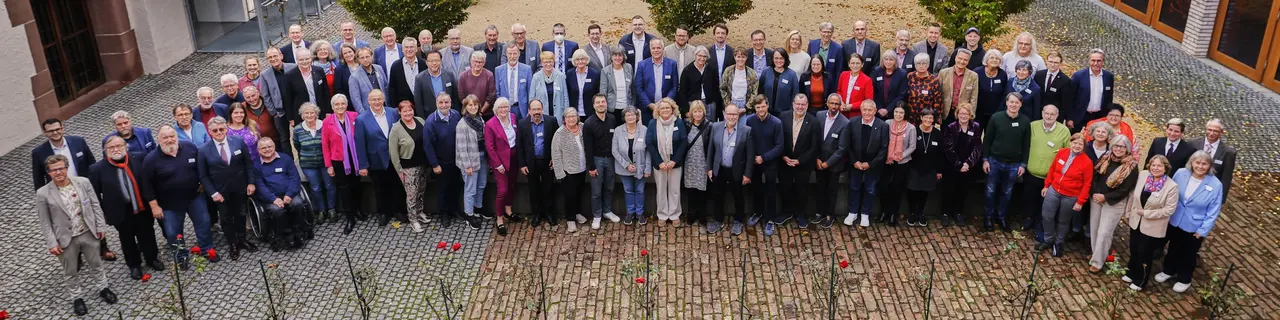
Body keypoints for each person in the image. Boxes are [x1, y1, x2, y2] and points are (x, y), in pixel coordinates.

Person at [36, 154, 117, 316]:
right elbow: (45, 222)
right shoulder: (43, 193)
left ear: (66, 168)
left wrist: (100, 226)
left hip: (87, 232)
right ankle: (77, 297)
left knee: (96, 264)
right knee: (70, 271)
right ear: (49, 173)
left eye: (61, 168)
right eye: (54, 170)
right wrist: (52, 243)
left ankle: (103, 288)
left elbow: (95, 204)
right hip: (65, 239)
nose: (58, 172)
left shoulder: (83, 183)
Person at [88, 136, 163, 280]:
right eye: (111, 148)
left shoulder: (139, 158)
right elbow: (95, 195)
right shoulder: (97, 169)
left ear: (125, 147)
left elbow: (149, 181)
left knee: (147, 234)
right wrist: (103, 214)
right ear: (105, 150)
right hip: (120, 212)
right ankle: (134, 265)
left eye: (119, 146)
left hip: (142, 207)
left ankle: (152, 258)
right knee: (127, 239)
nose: (116, 150)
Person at [141, 126, 213, 269]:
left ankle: (207, 250)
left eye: (172, 136)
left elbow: (201, 166)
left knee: (204, 224)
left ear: (176, 136)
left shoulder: (189, 147)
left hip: (194, 197)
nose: (169, 140)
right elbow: (146, 186)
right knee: (173, 232)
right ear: (158, 140)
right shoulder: (150, 160)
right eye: (165, 138)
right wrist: (154, 206)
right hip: (169, 204)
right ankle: (181, 256)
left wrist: (203, 182)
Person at [1155, 151, 1223, 293]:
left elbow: (1213, 211)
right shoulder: (1181, 173)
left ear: (1209, 165)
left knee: (1189, 253)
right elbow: (1170, 192)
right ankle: (1168, 270)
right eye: (1197, 162)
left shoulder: (1216, 185)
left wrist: (1203, 230)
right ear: (1191, 163)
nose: (1200, 166)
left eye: (1204, 164)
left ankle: (1184, 278)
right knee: (1173, 247)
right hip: (1175, 219)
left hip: (1195, 226)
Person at [198, 117, 256, 261]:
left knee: (241, 214)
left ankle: (242, 239)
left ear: (226, 129)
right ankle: (232, 243)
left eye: (221, 129)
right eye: (215, 130)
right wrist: (213, 193)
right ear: (210, 132)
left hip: (240, 187)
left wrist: (251, 183)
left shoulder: (237, 141)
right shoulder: (203, 150)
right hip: (220, 192)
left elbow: (248, 164)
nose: (219, 132)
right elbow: (203, 175)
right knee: (226, 218)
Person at [1123, 155, 1178, 291]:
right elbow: (1133, 195)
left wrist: (1146, 214)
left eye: (1159, 166)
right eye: (1153, 165)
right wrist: (1128, 212)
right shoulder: (1143, 175)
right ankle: (1131, 272)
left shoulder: (1171, 186)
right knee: (1134, 248)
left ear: (1165, 168)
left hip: (1152, 226)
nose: (1156, 168)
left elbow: (1169, 210)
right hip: (1136, 220)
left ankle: (1140, 280)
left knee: (1145, 253)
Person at [1087, 135, 1139, 273]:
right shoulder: (1106, 157)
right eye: (1116, 145)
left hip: (1114, 202)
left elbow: (1125, 189)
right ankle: (1096, 254)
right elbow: (1095, 175)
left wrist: (1105, 197)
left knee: (1104, 232)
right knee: (1095, 228)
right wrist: (1096, 194)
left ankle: (1098, 263)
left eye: (1122, 146)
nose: (1118, 149)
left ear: (1127, 148)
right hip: (1097, 199)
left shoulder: (1131, 166)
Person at [355, 91, 405, 230]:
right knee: (380, 188)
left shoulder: (393, 113)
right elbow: (360, 143)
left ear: (384, 99)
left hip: (394, 157)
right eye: (373, 100)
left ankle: (398, 211)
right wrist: (363, 165)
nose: (377, 102)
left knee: (397, 185)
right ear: (368, 101)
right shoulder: (362, 119)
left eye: (379, 99)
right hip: (375, 159)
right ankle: (383, 212)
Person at [982, 93, 1031, 232]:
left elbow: (1026, 144)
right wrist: (985, 159)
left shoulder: (1025, 121)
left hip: (1014, 164)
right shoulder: (996, 117)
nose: (1014, 105)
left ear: (1021, 104)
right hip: (995, 161)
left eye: (1017, 102)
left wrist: (1023, 164)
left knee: (1007, 192)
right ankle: (988, 217)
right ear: (1006, 102)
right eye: (1011, 102)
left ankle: (1001, 217)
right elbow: (987, 140)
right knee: (990, 191)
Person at [1039, 133, 1094, 256]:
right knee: (1047, 215)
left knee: (1063, 221)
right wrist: (1046, 185)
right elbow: (1052, 169)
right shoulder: (1062, 152)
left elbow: (1087, 184)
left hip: (1071, 195)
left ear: (1084, 147)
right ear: (1070, 143)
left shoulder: (1087, 162)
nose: (1077, 146)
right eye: (1075, 143)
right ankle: (1048, 239)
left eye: (1080, 144)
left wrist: (1080, 201)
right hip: (1054, 190)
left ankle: (1059, 242)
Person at [252, 137, 308, 251]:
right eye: (264, 148)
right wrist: (273, 199)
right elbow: (260, 185)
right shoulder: (256, 165)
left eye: (270, 146)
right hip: (270, 198)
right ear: (258, 150)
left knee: (297, 204)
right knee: (276, 210)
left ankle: (299, 231)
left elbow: (294, 178)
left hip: (289, 194)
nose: (267, 149)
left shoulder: (285, 158)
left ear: (274, 146)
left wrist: (289, 194)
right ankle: (287, 234)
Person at [708, 103, 755, 235]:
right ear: (724, 114)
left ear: (738, 115)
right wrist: (709, 168)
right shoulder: (715, 127)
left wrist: (747, 174)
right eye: (729, 114)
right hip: (719, 168)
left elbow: (750, 155)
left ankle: (738, 220)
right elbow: (711, 150)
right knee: (718, 195)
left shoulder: (746, 130)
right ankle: (718, 220)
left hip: (736, 170)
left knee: (738, 196)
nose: (731, 116)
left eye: (734, 114)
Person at [1025, 105, 1071, 234]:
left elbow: (1068, 152)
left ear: (1057, 116)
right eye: (1046, 113)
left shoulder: (1064, 131)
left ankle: (1041, 226)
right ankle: (1029, 220)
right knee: (1030, 199)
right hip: (1031, 172)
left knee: (1046, 204)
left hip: (1051, 177)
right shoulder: (1033, 125)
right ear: (1042, 113)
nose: (1049, 116)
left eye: (1052, 114)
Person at [842, 100, 888, 227]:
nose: (867, 112)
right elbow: (848, 144)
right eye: (865, 109)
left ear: (874, 111)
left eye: (870, 110)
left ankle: (865, 214)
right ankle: (852, 213)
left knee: (870, 189)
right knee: (853, 187)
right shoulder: (852, 122)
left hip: (872, 165)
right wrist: (854, 161)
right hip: (856, 163)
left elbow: (884, 148)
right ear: (861, 110)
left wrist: (871, 164)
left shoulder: (883, 126)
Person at [517, 100, 560, 229]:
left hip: (547, 161)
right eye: (534, 109)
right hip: (531, 162)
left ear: (542, 109)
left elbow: (557, 141)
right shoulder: (522, 123)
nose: (536, 112)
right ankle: (536, 213)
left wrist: (554, 158)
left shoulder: (551, 121)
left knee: (548, 188)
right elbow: (519, 146)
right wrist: (522, 164)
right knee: (533, 189)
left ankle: (549, 213)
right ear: (529, 111)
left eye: (539, 109)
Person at [293, 103, 337, 227]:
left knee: (329, 185)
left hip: (325, 162)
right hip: (308, 164)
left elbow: (330, 143)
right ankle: (322, 210)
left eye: (312, 112)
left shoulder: (325, 125)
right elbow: (297, 145)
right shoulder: (297, 129)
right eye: (306, 113)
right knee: (315, 187)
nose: (309, 115)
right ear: (302, 116)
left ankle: (332, 209)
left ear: (317, 114)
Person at [322, 95, 363, 229]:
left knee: (356, 186)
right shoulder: (327, 122)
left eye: (342, 104)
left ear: (346, 105)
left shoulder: (354, 116)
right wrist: (329, 165)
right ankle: (349, 217)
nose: (340, 106)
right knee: (344, 189)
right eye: (337, 104)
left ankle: (358, 209)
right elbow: (325, 145)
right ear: (332, 106)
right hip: (339, 161)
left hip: (355, 159)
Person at [424, 94, 466, 226]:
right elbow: (428, 145)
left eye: (446, 102)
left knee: (456, 186)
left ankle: (455, 210)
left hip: (456, 160)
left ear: (451, 103)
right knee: (443, 189)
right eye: (441, 102)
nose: (444, 105)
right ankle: (444, 214)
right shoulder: (431, 121)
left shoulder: (455, 115)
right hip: (441, 162)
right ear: (436, 103)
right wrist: (434, 164)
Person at [388, 100, 429, 232]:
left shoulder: (420, 121)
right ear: (399, 112)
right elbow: (393, 152)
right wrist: (400, 171)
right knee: (411, 194)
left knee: (421, 190)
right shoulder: (396, 129)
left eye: (410, 110)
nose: (408, 113)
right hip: (408, 166)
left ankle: (419, 212)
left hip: (423, 163)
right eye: (404, 111)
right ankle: (413, 219)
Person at [648, 98, 690, 225]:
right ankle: (662, 214)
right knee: (661, 189)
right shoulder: (652, 123)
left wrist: (674, 161)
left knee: (674, 189)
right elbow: (649, 143)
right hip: (659, 163)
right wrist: (659, 161)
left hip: (674, 163)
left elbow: (683, 142)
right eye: (662, 108)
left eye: (668, 108)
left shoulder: (679, 123)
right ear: (658, 110)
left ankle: (674, 214)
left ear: (673, 109)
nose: (665, 110)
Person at [940, 103, 983, 226]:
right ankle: (945, 213)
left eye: (966, 114)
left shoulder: (976, 127)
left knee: (963, 190)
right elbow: (948, 148)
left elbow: (978, 147)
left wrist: (968, 163)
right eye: (961, 113)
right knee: (949, 189)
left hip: (968, 166)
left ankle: (958, 213)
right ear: (957, 114)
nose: (963, 116)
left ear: (970, 115)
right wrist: (958, 164)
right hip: (952, 165)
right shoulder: (950, 127)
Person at [780, 94, 819, 228]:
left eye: (803, 104)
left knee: (802, 189)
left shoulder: (813, 122)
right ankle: (787, 212)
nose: (800, 107)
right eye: (798, 104)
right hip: (785, 161)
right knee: (785, 187)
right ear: (793, 104)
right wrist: (784, 156)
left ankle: (800, 214)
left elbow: (814, 147)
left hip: (803, 163)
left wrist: (800, 161)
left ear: (807, 105)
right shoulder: (783, 117)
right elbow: (780, 141)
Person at [583, 94, 620, 226]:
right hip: (596, 159)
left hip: (610, 159)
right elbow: (588, 147)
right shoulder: (588, 123)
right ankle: (597, 215)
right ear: (593, 106)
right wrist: (591, 166)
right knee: (596, 190)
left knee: (609, 187)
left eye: (603, 102)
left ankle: (607, 211)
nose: (601, 104)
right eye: (598, 102)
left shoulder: (612, 119)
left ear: (606, 103)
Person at [879, 103, 917, 226]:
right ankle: (884, 211)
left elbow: (912, 146)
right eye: (896, 112)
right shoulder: (887, 124)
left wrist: (901, 155)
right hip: (887, 161)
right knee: (884, 187)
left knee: (897, 189)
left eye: (901, 112)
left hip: (902, 162)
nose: (898, 115)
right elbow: (882, 141)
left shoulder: (911, 128)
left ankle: (893, 214)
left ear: (905, 113)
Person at [814, 94, 850, 228]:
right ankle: (819, 212)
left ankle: (830, 215)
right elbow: (815, 140)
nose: (834, 106)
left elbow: (842, 149)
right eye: (832, 103)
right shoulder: (819, 116)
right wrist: (817, 158)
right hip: (819, 161)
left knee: (832, 190)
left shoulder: (845, 123)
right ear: (827, 103)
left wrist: (827, 163)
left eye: (837, 104)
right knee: (820, 188)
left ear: (840, 106)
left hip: (834, 165)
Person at [486, 98, 520, 232]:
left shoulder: (512, 117)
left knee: (512, 186)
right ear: (496, 109)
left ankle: (508, 211)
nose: (503, 110)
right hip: (500, 162)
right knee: (502, 190)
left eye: (506, 106)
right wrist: (497, 164)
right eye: (501, 107)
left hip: (513, 158)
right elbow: (489, 147)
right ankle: (499, 218)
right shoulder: (490, 124)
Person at [552, 111, 589, 232]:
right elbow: (556, 154)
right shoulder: (560, 133)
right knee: (570, 195)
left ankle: (577, 213)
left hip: (582, 167)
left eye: (573, 116)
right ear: (564, 119)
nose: (571, 119)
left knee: (579, 192)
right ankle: (570, 219)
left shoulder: (583, 127)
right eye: (568, 117)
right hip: (568, 170)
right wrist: (559, 172)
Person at [906, 108, 943, 226]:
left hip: (930, 169)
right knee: (912, 191)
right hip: (914, 167)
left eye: (931, 118)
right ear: (921, 118)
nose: (928, 120)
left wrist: (939, 170)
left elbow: (940, 154)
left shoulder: (937, 134)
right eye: (926, 117)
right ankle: (912, 212)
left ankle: (920, 213)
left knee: (924, 192)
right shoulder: (914, 131)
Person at [615, 106, 651, 226]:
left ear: (637, 117)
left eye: (632, 115)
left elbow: (648, 151)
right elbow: (614, 151)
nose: (630, 117)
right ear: (624, 117)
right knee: (628, 191)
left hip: (640, 168)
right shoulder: (618, 130)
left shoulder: (644, 130)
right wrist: (626, 165)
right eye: (627, 115)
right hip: (624, 168)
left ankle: (640, 213)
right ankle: (630, 212)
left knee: (640, 191)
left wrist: (647, 168)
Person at [457, 95, 490, 227]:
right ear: (465, 107)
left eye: (475, 105)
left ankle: (478, 208)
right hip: (470, 161)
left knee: (481, 184)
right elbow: (461, 148)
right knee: (470, 188)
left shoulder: (480, 119)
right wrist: (467, 166)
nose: (473, 107)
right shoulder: (462, 124)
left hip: (482, 157)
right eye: (470, 105)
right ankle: (469, 214)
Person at [1188, 119, 1235, 202]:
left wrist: (1221, 199)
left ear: (1221, 132)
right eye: (1209, 130)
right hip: (1190, 186)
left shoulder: (1228, 152)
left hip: (1210, 191)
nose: (1211, 133)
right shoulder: (1193, 144)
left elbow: (1226, 178)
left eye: (1215, 131)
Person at [283, 47, 333, 125]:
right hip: (302, 115)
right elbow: (288, 98)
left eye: (307, 59)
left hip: (320, 112)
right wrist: (290, 118)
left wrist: (328, 111)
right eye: (301, 59)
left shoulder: (319, 70)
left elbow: (325, 93)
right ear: (297, 60)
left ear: (311, 59)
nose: (304, 61)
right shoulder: (289, 75)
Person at [681, 101, 712, 226]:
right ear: (691, 113)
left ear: (703, 112)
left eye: (700, 111)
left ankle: (702, 214)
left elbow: (711, 147)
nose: (698, 114)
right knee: (691, 190)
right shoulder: (686, 124)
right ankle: (692, 213)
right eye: (695, 111)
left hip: (702, 162)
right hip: (689, 162)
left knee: (702, 190)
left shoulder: (709, 126)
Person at [636, 39, 679, 123]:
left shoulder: (672, 64)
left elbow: (674, 86)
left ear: (663, 49)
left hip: (667, 109)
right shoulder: (642, 65)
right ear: (650, 49)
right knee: (650, 133)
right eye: (653, 48)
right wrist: (649, 104)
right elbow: (639, 88)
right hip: (648, 108)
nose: (656, 50)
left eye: (658, 48)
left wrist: (666, 103)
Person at [1070, 49, 1115, 126]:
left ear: (1103, 62)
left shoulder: (1108, 77)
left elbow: (1109, 98)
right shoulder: (1078, 76)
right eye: (1093, 60)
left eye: (1099, 61)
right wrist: (1070, 118)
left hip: (1099, 117)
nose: (1095, 63)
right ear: (1089, 61)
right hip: (1080, 116)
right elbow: (1070, 98)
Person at [413, 51, 463, 117]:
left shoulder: (449, 75)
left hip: (449, 115)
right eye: (431, 61)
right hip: (430, 116)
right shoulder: (419, 78)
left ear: (441, 61)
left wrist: (457, 115)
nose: (434, 63)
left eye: (437, 60)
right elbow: (418, 102)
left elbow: (455, 98)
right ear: (426, 62)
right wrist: (422, 120)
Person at [678, 46, 722, 118]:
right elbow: (682, 92)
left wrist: (714, 103)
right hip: (693, 104)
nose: (702, 58)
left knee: (709, 127)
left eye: (705, 56)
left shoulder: (711, 70)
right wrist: (685, 111)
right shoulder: (687, 70)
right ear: (695, 55)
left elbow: (716, 88)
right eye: (700, 56)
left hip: (709, 104)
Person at [938, 49, 978, 123]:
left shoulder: (973, 76)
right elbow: (938, 95)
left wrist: (971, 115)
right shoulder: (943, 73)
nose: (962, 62)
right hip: (946, 112)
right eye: (960, 58)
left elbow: (973, 99)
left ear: (968, 61)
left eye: (965, 60)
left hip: (963, 113)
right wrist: (938, 114)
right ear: (956, 58)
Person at [1035, 53, 1074, 129]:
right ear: (1046, 61)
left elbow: (1066, 102)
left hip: (1054, 117)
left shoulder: (1065, 80)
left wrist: (1066, 118)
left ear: (1061, 63)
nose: (1053, 65)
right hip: (1038, 114)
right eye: (1050, 62)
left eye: (1056, 62)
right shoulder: (1038, 75)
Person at [531, 51, 570, 124]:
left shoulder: (561, 76)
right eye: (545, 62)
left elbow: (565, 97)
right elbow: (532, 97)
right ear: (542, 63)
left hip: (558, 113)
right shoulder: (536, 77)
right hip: (542, 114)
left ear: (554, 62)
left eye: (550, 62)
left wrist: (566, 113)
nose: (548, 64)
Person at [758, 49, 800, 118]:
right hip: (766, 112)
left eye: (781, 58)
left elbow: (795, 94)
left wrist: (791, 111)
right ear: (772, 59)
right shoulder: (766, 72)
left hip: (784, 113)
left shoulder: (792, 75)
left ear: (785, 59)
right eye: (776, 58)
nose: (778, 61)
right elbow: (760, 91)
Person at [496, 44, 534, 119]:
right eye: (510, 54)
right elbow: (497, 92)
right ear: (506, 54)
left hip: (522, 109)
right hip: (505, 109)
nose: (512, 56)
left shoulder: (527, 69)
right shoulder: (498, 70)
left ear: (519, 54)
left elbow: (530, 91)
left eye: (515, 53)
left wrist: (530, 109)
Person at [387, 37, 426, 107]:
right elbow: (392, 88)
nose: (409, 49)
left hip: (422, 105)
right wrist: (394, 107)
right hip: (404, 107)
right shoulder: (396, 66)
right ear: (402, 49)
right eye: (406, 47)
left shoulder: (423, 64)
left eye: (412, 47)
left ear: (416, 49)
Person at [349, 47, 389, 114]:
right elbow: (356, 100)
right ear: (358, 59)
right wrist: (363, 115)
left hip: (384, 108)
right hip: (368, 112)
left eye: (367, 57)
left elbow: (386, 88)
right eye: (362, 58)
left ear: (372, 57)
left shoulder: (379, 68)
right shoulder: (354, 77)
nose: (365, 60)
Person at [905, 53, 942, 124]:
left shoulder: (934, 79)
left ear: (928, 65)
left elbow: (938, 99)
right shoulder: (910, 76)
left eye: (924, 63)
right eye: (918, 63)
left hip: (927, 116)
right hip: (911, 115)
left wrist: (936, 115)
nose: (921, 66)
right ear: (915, 65)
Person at [459, 51, 498, 117]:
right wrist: (471, 110)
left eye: (480, 62)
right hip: (469, 113)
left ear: (484, 63)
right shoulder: (463, 76)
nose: (477, 64)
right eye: (475, 61)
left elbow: (491, 96)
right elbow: (461, 96)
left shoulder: (489, 75)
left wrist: (481, 110)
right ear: (471, 62)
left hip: (485, 113)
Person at [975, 50, 1009, 124]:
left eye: (997, 58)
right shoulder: (977, 72)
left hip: (995, 112)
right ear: (986, 60)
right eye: (992, 58)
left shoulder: (1003, 74)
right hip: (978, 111)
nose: (994, 60)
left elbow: (1004, 94)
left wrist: (1000, 110)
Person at [601, 46, 635, 120]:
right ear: (611, 57)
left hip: (627, 108)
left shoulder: (629, 68)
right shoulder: (605, 71)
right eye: (615, 55)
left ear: (623, 56)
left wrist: (632, 105)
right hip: (612, 109)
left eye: (620, 55)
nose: (617, 58)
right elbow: (603, 92)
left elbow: (632, 88)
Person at [870, 50, 907, 119]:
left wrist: (888, 109)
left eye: (891, 60)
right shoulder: (877, 71)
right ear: (882, 60)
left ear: (895, 61)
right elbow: (872, 91)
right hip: (878, 111)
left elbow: (901, 95)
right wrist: (879, 108)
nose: (888, 62)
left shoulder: (902, 74)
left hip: (894, 111)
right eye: (886, 59)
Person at [836, 54, 874, 119]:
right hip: (842, 112)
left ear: (862, 64)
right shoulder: (843, 75)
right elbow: (839, 91)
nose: (855, 66)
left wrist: (852, 106)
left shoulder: (867, 80)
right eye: (853, 63)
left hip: (856, 115)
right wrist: (841, 102)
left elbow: (868, 101)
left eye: (858, 63)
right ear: (849, 64)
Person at [807, 22, 844, 87]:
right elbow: (808, 64)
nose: (826, 34)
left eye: (829, 32)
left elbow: (839, 70)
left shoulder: (838, 49)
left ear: (832, 33)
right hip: (813, 81)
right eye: (824, 32)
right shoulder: (812, 44)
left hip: (830, 84)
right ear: (820, 32)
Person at [567, 50, 601, 119]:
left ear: (586, 59)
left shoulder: (594, 74)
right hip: (574, 113)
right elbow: (568, 93)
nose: (580, 61)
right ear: (574, 61)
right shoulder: (570, 74)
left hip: (591, 113)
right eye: (577, 59)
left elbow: (597, 93)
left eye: (582, 59)